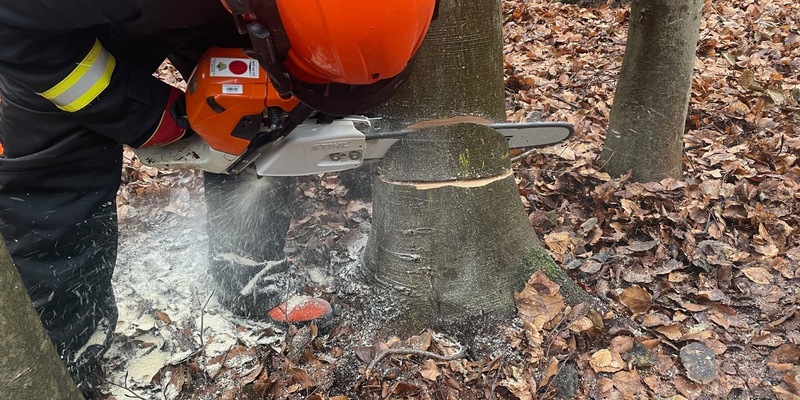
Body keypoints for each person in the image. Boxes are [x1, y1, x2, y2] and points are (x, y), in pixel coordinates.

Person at [0, 0, 435, 395]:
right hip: (52, 36)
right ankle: (61, 352)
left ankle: (249, 280)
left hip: (239, 20)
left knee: (258, 113)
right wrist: (149, 113)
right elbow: (14, 29)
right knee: (54, 175)